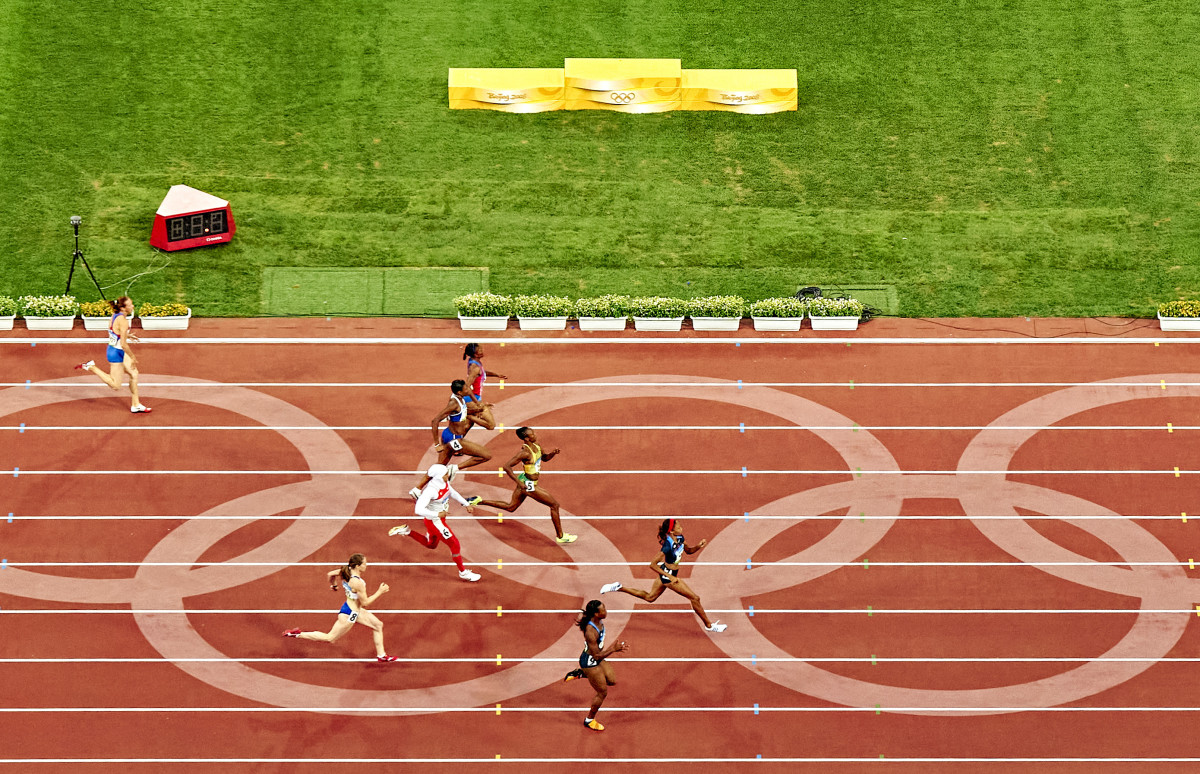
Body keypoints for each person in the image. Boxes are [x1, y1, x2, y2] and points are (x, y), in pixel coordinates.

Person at [600, 518, 727, 633]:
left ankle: (619, 587)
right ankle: (709, 626)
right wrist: (670, 577)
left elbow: (688, 551)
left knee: (650, 597)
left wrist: (698, 546)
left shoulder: (680, 538)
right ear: (671, 531)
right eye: (678, 527)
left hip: (668, 572)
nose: (681, 528)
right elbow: (653, 564)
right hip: (668, 575)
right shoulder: (667, 546)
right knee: (695, 598)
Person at [283, 553, 398, 662]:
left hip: (352, 608)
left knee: (378, 625)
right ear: (358, 566)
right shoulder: (357, 582)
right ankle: (298, 634)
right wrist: (380, 591)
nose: (366, 565)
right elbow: (365, 602)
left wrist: (333, 585)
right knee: (330, 638)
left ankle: (381, 655)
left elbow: (330, 574)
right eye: (364, 563)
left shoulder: (345, 571)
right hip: (350, 614)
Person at [475, 426, 576, 544]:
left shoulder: (537, 446)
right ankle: (560, 536)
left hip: (525, 481)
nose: (535, 434)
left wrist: (553, 453)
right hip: (528, 484)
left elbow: (544, 458)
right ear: (527, 438)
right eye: (532, 434)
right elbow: (506, 467)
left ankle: (479, 501)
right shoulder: (525, 453)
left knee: (511, 507)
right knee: (554, 505)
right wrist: (519, 483)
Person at [390, 463, 483, 582]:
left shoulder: (444, 483)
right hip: (435, 522)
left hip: (437, 520)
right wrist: (437, 514)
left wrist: (466, 504)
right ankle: (463, 573)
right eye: (445, 474)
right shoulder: (430, 491)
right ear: (438, 476)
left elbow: (453, 493)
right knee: (454, 544)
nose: (448, 475)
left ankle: (407, 531)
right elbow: (418, 510)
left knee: (431, 545)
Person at [409, 379, 492, 499]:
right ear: (459, 392)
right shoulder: (453, 403)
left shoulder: (460, 399)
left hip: (449, 435)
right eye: (466, 388)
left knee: (439, 466)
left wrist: (479, 409)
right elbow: (435, 421)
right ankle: (455, 468)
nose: (468, 389)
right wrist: (437, 444)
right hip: (454, 439)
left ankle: (417, 489)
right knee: (486, 455)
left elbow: (463, 409)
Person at [73, 296, 151, 413]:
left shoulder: (114, 316)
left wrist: (127, 335)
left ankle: (136, 404)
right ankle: (91, 367)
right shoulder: (123, 321)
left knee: (134, 374)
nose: (133, 306)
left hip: (115, 349)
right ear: (123, 308)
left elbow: (114, 331)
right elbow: (124, 344)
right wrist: (133, 356)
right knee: (115, 385)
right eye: (130, 304)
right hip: (116, 353)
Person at [562, 600, 627, 731]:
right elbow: (596, 656)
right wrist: (613, 649)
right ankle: (589, 720)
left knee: (611, 680)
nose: (606, 611)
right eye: (603, 610)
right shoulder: (590, 631)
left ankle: (580, 673)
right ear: (596, 614)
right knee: (602, 692)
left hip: (597, 657)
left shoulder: (598, 621)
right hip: (590, 662)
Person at [463, 343, 507, 431]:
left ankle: (469, 415)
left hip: (474, 398)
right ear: (475, 354)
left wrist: (496, 375)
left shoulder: (474, 361)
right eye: (480, 350)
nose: (482, 351)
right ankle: (466, 414)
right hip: (472, 399)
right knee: (491, 425)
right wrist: (478, 404)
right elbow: (466, 387)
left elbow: (482, 372)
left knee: (467, 426)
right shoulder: (474, 367)